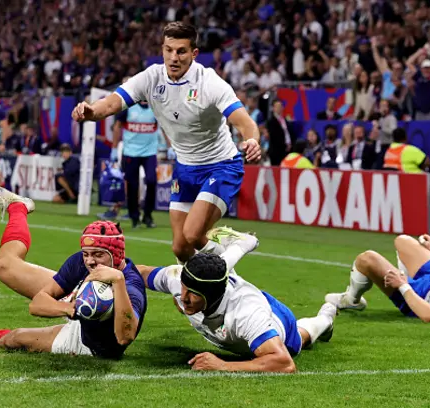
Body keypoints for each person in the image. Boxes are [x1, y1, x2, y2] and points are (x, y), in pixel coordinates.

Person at [72, 22, 261, 264]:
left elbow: (244, 122)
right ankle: (222, 273)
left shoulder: (210, 83)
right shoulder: (151, 78)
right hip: (184, 168)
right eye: (168, 50)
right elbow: (110, 103)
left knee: (193, 234)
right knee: (181, 248)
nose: (174, 57)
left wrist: (252, 140)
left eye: (181, 51)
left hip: (220, 166)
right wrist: (91, 111)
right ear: (162, 49)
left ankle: (234, 243)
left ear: (194, 53)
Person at [0, 187, 147, 358]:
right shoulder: (81, 262)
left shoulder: (131, 285)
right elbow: (37, 304)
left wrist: (117, 283)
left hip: (89, 345)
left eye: (98, 255)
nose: (90, 261)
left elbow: (123, 338)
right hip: (77, 304)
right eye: (86, 253)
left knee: (15, 339)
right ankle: (18, 207)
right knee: (5, 265)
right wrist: (68, 308)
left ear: (116, 255)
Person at [136, 227, 337, 372]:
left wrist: (223, 365)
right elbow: (140, 273)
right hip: (226, 291)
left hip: (276, 316)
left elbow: (284, 363)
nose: (184, 297)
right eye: (183, 289)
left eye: (193, 294)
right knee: (213, 270)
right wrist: (111, 274)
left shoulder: (247, 314)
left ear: (209, 296)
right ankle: (241, 244)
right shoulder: (178, 278)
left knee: (299, 338)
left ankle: (325, 319)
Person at [110, 76, 160, 228]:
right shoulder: (127, 107)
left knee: (151, 181)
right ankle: (134, 217)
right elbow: (118, 127)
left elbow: (164, 126)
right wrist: (114, 148)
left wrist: (171, 146)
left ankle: (148, 215)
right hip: (130, 152)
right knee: (132, 185)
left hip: (149, 152)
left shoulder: (155, 106)